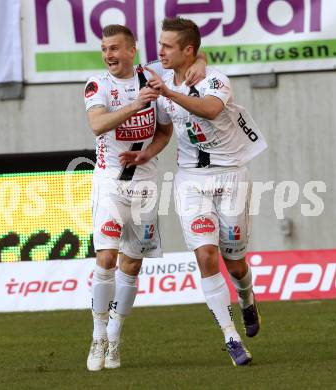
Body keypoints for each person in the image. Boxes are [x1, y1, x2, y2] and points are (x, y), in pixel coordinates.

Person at [120, 17, 268, 366]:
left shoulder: (215, 79)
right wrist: (149, 152)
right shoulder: (158, 73)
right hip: (190, 180)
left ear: (188, 50)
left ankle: (247, 299)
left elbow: (212, 109)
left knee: (234, 261)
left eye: (168, 46)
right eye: (160, 45)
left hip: (230, 176)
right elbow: (165, 129)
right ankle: (231, 338)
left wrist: (172, 89)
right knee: (205, 255)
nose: (160, 51)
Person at [83, 24, 207, 371]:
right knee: (106, 257)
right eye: (104, 49)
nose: (108, 55)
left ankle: (116, 338)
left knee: (132, 264)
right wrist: (136, 103)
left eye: (115, 48)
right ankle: (98, 335)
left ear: (132, 50)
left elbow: (166, 128)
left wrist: (147, 152)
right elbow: (97, 125)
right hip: (110, 181)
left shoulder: (154, 77)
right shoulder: (98, 85)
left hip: (145, 184)